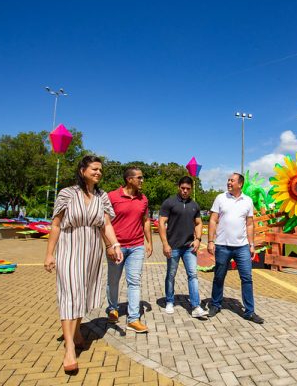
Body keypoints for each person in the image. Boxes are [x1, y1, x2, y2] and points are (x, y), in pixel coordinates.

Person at [44, 155, 122, 374]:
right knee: (69, 295)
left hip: (92, 252)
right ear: (82, 170)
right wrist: (49, 254)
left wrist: (115, 244)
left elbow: (106, 224)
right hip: (70, 248)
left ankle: (77, 331)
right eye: (94, 169)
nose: (98, 172)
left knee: (83, 293)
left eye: (100, 170)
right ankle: (69, 348)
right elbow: (57, 225)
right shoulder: (67, 193)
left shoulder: (101, 196)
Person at [207, 173, 264, 324]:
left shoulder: (248, 201)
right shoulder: (221, 198)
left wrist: (252, 245)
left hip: (242, 247)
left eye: (232, 180)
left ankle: (249, 312)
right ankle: (215, 304)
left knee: (247, 278)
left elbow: (250, 224)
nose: (228, 182)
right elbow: (213, 220)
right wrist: (210, 241)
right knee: (219, 277)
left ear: (240, 184)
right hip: (222, 245)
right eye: (228, 180)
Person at [105, 167, 153, 333]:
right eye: (139, 178)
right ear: (129, 179)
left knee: (134, 281)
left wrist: (149, 242)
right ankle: (112, 308)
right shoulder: (112, 196)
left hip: (136, 246)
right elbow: (104, 223)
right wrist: (109, 245)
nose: (142, 180)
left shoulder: (143, 199)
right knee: (113, 280)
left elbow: (146, 220)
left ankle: (133, 319)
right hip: (116, 246)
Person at [159, 176, 209, 318]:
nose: (185, 191)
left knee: (193, 275)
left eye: (188, 189)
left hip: (189, 247)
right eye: (183, 188)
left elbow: (199, 223)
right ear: (178, 187)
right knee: (171, 275)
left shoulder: (195, 205)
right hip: (173, 246)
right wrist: (165, 244)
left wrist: (198, 239)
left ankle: (196, 306)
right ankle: (169, 301)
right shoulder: (169, 202)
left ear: (191, 189)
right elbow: (162, 223)